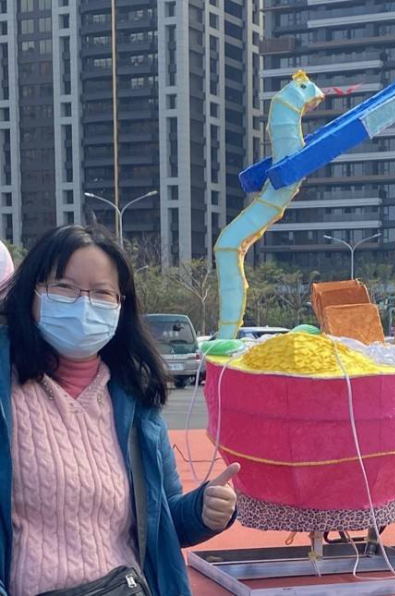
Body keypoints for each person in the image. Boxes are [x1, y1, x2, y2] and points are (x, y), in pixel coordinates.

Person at [0, 225, 239, 596]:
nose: (83, 305)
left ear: (120, 305)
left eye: (101, 293)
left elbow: (161, 521)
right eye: (64, 287)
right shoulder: (7, 396)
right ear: (31, 292)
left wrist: (205, 510)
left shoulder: (135, 400)